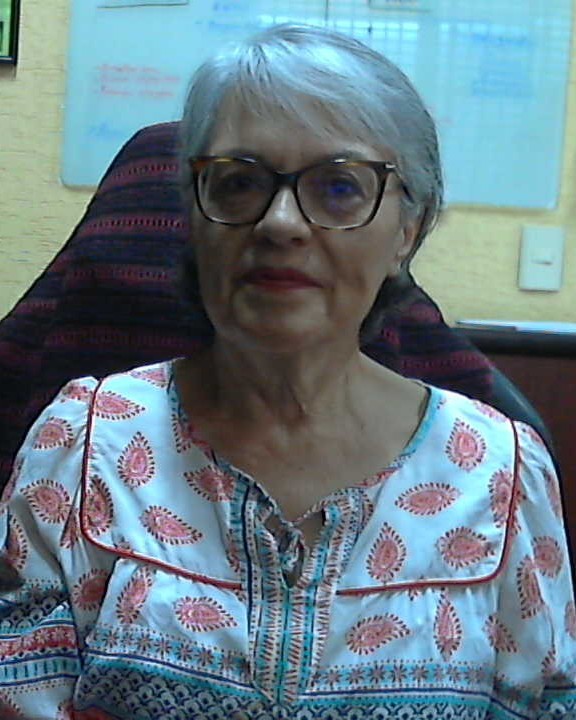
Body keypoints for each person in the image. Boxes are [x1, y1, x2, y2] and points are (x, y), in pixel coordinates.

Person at [0, 23, 574, 720]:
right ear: (194, 214)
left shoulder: (502, 476)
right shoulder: (81, 449)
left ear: (408, 231)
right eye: (239, 182)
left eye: (339, 186)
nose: (279, 222)